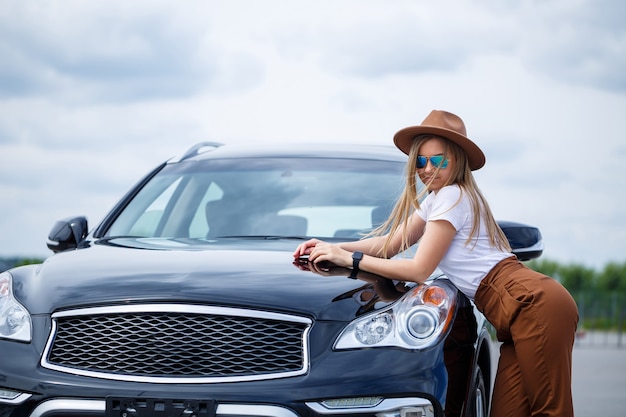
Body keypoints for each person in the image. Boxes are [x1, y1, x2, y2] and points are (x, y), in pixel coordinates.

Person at [292, 110, 579, 417]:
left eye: (439, 160)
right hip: (515, 314)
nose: (428, 169)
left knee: (550, 411)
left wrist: (350, 260)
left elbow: (419, 270)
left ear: (457, 160)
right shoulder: (437, 199)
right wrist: (333, 247)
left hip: (532, 304)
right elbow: (390, 245)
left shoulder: (453, 196)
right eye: (421, 161)